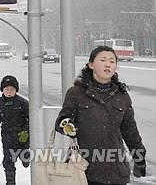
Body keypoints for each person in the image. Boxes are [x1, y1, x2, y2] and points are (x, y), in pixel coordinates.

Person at [56, 46, 146, 185]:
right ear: (91, 65)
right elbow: (62, 120)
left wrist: (139, 158)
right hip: (82, 170)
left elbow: (130, 131)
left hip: (115, 171)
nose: (108, 64)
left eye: (112, 61)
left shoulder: (122, 96)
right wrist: (66, 125)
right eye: (103, 60)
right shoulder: (76, 93)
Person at [0, 75, 30, 185]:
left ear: (16, 90)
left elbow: (30, 118)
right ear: (2, 90)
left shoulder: (22, 102)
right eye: (6, 89)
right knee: (8, 159)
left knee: (24, 153)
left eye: (12, 89)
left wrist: (26, 131)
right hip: (7, 134)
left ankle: (26, 159)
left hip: (22, 134)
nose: (9, 91)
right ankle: (10, 181)